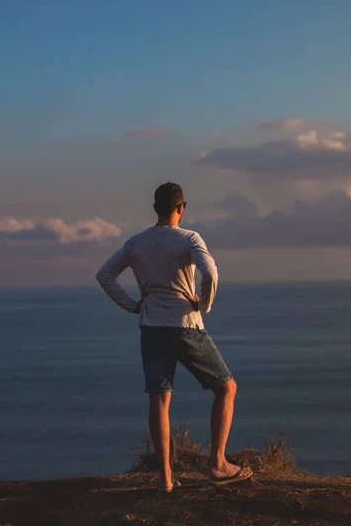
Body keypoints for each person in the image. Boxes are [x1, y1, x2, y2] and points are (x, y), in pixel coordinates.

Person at [96, 182, 253, 491]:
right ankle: (218, 464)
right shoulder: (189, 238)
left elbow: (105, 275)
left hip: (151, 327)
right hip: (185, 325)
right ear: (182, 207)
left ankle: (166, 478)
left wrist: (131, 306)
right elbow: (210, 273)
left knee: (159, 399)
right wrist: (204, 304)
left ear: (156, 208)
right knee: (227, 389)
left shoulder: (136, 242)